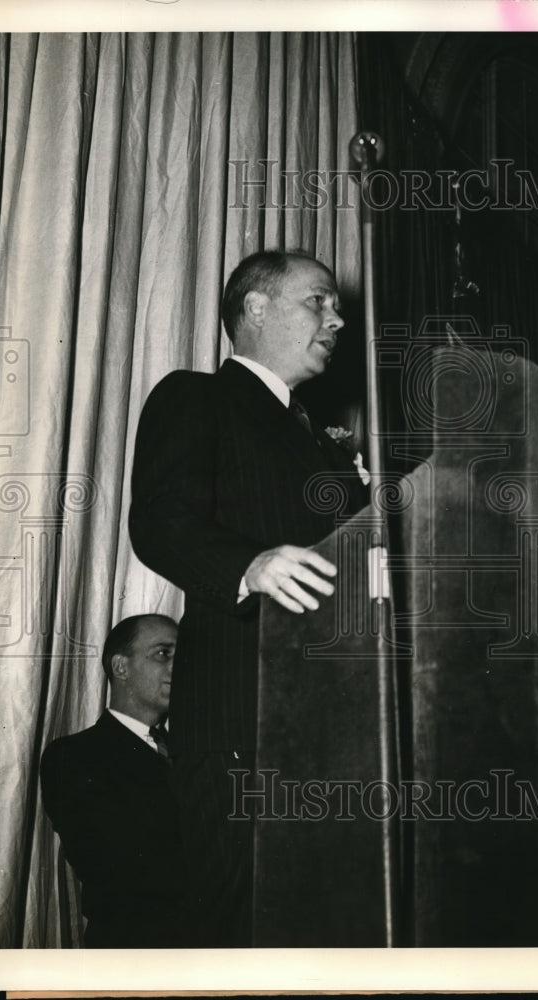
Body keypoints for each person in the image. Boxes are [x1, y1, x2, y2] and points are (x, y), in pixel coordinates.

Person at [128, 250, 368, 945]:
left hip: (339, 727)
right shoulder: (197, 397)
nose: (337, 319)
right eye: (318, 301)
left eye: (336, 306)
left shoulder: (327, 444)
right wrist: (250, 564)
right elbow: (160, 523)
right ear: (256, 308)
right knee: (240, 930)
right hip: (242, 719)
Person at [40, 614, 186, 948]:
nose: (180, 669)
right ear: (121, 667)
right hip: (133, 950)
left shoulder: (189, 753)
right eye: (163, 654)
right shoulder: (74, 756)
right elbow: (116, 870)